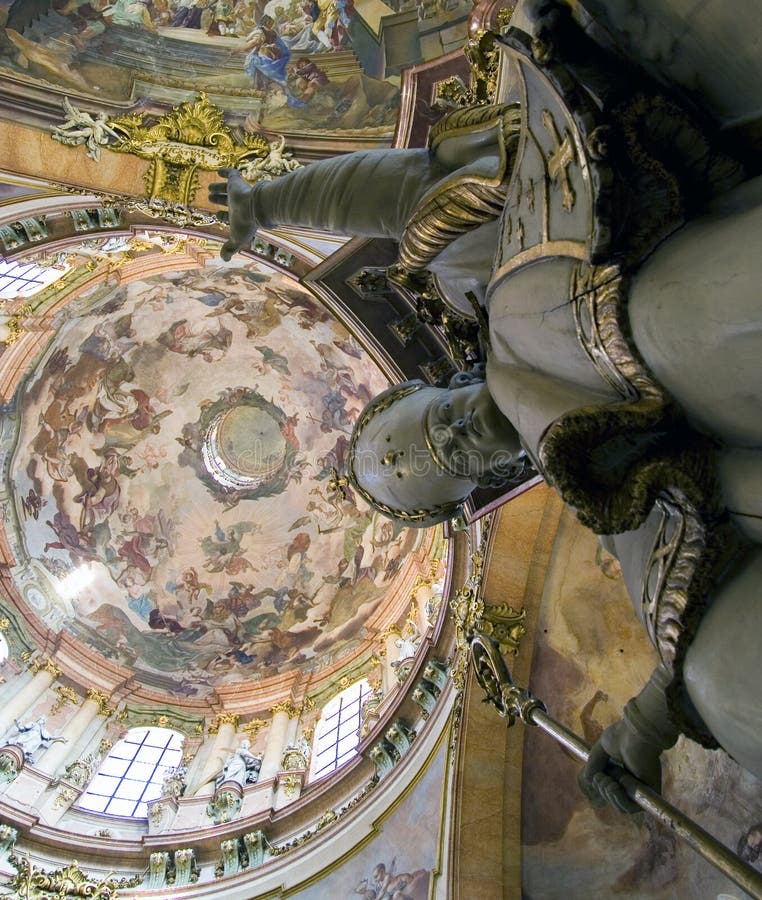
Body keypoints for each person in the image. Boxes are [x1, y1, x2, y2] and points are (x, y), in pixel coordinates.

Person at [209, 0, 762, 809]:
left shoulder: (483, 283)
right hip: (700, 458)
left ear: (432, 389)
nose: (456, 438)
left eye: (433, 426)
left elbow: (403, 196)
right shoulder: (586, 474)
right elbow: (669, 553)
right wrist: (650, 721)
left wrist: (267, 204)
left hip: (650, 274)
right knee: (720, 677)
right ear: (478, 485)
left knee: (675, 324)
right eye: (452, 462)